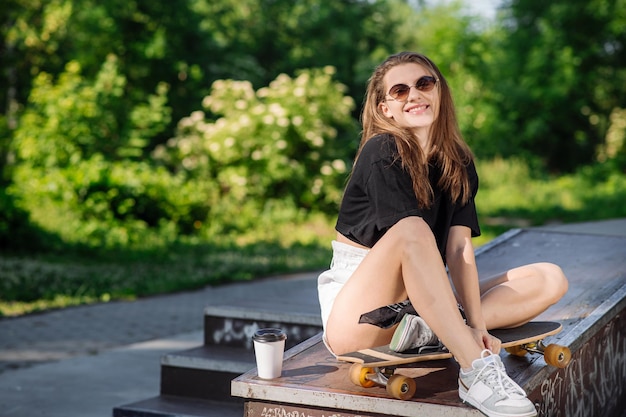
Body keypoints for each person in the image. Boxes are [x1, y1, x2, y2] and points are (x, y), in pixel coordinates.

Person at [317, 52, 568, 417]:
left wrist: (479, 325)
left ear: (439, 91)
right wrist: (475, 344)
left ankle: (437, 329)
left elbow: (459, 248)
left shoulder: (458, 162)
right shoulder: (381, 151)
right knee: (412, 228)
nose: (414, 95)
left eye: (424, 83)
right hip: (360, 318)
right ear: (385, 108)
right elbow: (408, 241)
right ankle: (476, 371)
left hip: (422, 301)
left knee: (548, 277)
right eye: (399, 91)